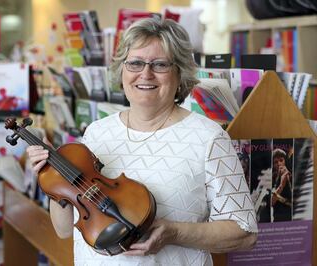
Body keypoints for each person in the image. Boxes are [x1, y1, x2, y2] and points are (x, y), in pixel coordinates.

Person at [27, 18, 257, 265]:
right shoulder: (96, 132)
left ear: (179, 73)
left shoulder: (208, 137)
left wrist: (174, 232)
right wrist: (54, 175)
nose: (145, 74)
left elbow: (243, 233)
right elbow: (64, 230)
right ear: (122, 70)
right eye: (135, 63)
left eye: (159, 65)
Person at [272, 148, 292, 222]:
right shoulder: (272, 179)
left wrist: (288, 179)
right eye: (275, 162)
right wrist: (281, 185)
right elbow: (271, 202)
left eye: (281, 160)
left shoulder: (291, 176)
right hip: (278, 218)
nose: (279, 164)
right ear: (273, 165)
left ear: (285, 161)